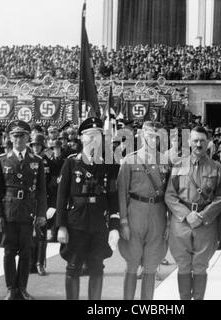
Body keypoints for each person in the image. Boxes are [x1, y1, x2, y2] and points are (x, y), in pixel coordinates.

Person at [56, 117, 120, 300]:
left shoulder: (109, 165)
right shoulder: (71, 163)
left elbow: (113, 197)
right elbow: (61, 197)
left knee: (97, 267)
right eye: (89, 136)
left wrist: (114, 227)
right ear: (81, 138)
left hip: (99, 223)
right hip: (76, 223)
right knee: (74, 267)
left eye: (98, 136)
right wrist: (61, 225)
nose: (94, 140)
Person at [165, 126, 221, 300]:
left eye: (202, 140)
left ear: (208, 143)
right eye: (195, 141)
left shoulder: (216, 167)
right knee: (183, 265)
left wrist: (203, 216)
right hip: (182, 222)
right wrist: (186, 214)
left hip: (205, 223)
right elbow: (170, 195)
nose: (198, 144)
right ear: (189, 142)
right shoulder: (178, 166)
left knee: (200, 265)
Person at [0, 120, 47, 300]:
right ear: (10, 138)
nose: (18, 140)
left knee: (26, 252)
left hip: (28, 213)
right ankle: (10, 288)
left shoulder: (36, 161)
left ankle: (22, 288)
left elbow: (41, 191)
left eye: (22, 136)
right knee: (8, 251)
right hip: (9, 213)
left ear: (28, 138)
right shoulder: (2, 160)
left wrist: (41, 214)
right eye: (15, 136)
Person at [117, 121, 171, 300]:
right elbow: (122, 192)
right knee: (132, 262)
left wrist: (169, 222)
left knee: (151, 264)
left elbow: (170, 193)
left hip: (158, 213)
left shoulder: (165, 161)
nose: (152, 140)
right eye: (149, 136)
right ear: (141, 137)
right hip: (135, 213)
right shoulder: (130, 160)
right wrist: (123, 221)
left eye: (156, 137)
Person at [29, 133, 52, 276]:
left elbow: (54, 183)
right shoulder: (29, 160)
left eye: (38, 145)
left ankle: (40, 263)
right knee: (31, 234)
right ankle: (31, 263)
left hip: (45, 200)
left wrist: (52, 205)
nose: (35, 148)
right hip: (31, 200)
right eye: (33, 145)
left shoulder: (49, 162)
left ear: (42, 146)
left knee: (42, 234)